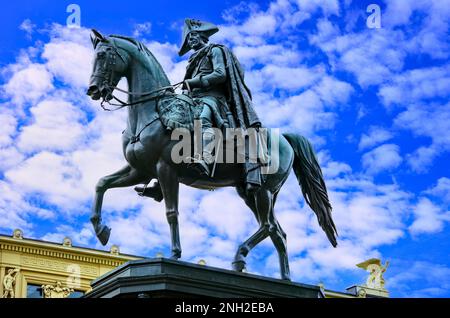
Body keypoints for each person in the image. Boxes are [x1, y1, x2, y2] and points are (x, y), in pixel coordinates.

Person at [135, 18, 263, 198]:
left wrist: (194, 81)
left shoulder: (215, 50)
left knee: (203, 117)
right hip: (194, 98)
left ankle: (204, 158)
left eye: (193, 36)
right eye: (189, 39)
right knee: (169, 123)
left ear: (202, 36)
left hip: (214, 98)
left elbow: (220, 74)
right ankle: (159, 179)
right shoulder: (194, 59)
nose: (191, 41)